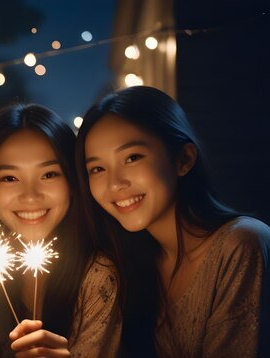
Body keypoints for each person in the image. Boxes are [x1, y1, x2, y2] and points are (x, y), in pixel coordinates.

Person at [75, 85, 270, 357]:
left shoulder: (240, 245)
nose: (114, 184)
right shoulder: (131, 267)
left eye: (132, 157)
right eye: (97, 168)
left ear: (184, 159)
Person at [0, 104, 121, 357]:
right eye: (9, 178)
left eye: (49, 174)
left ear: (72, 182)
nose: (31, 196)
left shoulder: (98, 276)